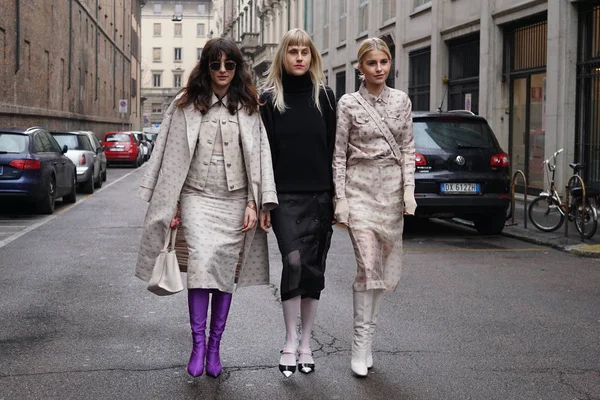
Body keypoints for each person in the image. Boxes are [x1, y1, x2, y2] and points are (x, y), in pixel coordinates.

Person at [135, 38, 278, 378]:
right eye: (216, 65)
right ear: (206, 67)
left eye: (230, 65)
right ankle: (198, 345)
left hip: (235, 200)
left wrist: (253, 203)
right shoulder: (184, 104)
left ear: (238, 68)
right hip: (195, 197)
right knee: (200, 265)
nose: (223, 71)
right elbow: (165, 152)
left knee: (225, 273)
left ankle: (215, 347)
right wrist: (168, 202)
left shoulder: (249, 105)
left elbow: (260, 157)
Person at [333, 37, 416, 377]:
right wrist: (340, 197)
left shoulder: (402, 101)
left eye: (384, 62)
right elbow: (339, 155)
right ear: (360, 67)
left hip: (392, 193)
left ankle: (370, 339)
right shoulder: (348, 103)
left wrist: (409, 191)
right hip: (360, 190)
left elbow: (409, 149)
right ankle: (360, 343)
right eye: (372, 63)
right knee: (367, 267)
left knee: (380, 270)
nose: (379, 69)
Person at [258, 28, 336, 377]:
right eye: (293, 51)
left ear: (313, 57)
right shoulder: (268, 100)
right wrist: (263, 202)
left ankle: (307, 344)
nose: (300, 57)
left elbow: (336, 151)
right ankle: (290, 341)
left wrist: (339, 198)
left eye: (305, 51)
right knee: (292, 264)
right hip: (284, 198)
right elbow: (263, 155)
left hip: (321, 196)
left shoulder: (327, 99)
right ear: (283, 56)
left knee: (313, 270)